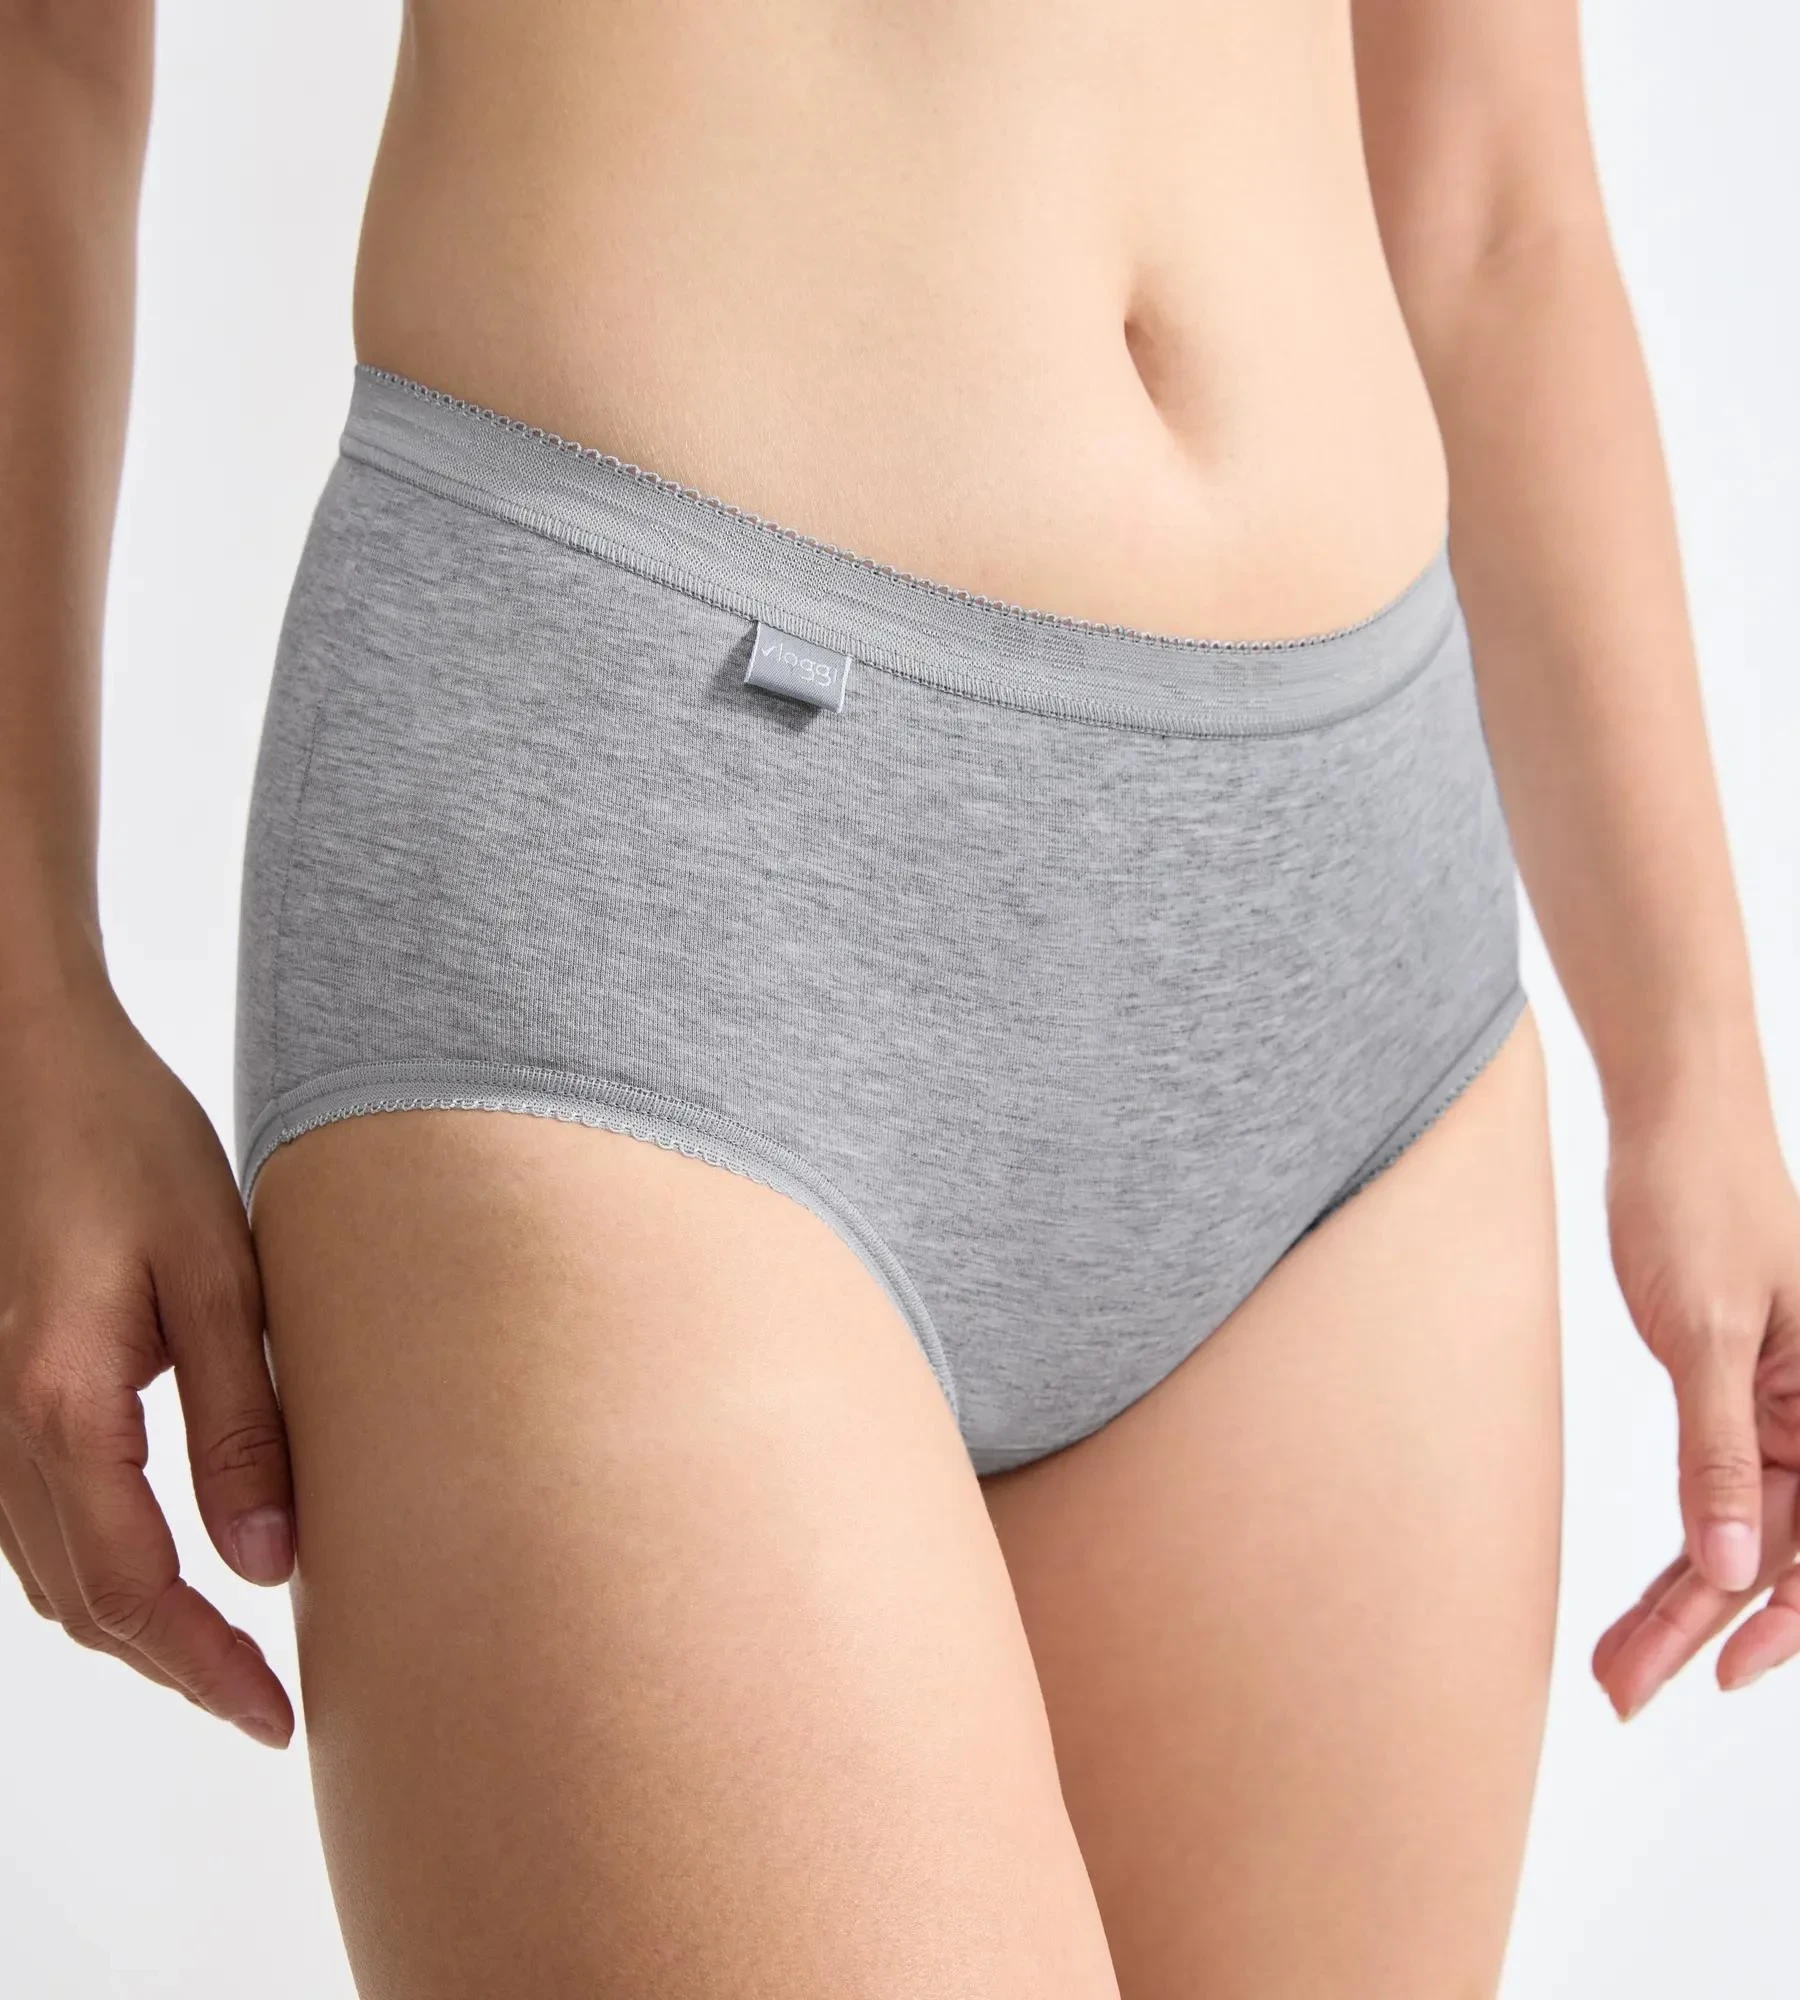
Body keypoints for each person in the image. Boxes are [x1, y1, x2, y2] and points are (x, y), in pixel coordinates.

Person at [3, 2, 1796, 1995]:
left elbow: (1490, 194)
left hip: (1352, 943)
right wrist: (24, 1000)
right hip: (646, 858)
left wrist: (1697, 1061)